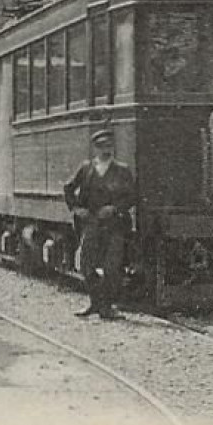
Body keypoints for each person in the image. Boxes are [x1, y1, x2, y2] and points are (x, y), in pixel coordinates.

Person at [63, 126, 138, 321]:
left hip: (115, 225)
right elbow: (69, 188)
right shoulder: (86, 168)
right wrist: (76, 209)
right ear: (96, 148)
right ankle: (95, 303)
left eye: (109, 145)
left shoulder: (122, 170)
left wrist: (115, 208)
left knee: (112, 267)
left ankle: (107, 307)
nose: (106, 149)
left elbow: (132, 196)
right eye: (102, 146)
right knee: (86, 266)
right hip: (91, 224)